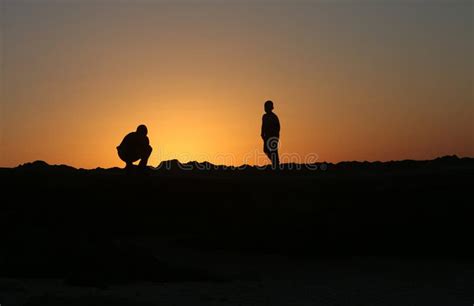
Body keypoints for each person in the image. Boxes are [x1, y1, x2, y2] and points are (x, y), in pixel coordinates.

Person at [261, 100, 280, 168]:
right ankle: (275, 162)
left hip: (273, 136)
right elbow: (263, 126)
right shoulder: (264, 116)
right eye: (265, 107)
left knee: (274, 151)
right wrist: (262, 134)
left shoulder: (274, 117)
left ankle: (276, 164)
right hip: (267, 136)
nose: (265, 108)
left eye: (266, 107)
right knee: (266, 150)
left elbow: (277, 127)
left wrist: (275, 137)